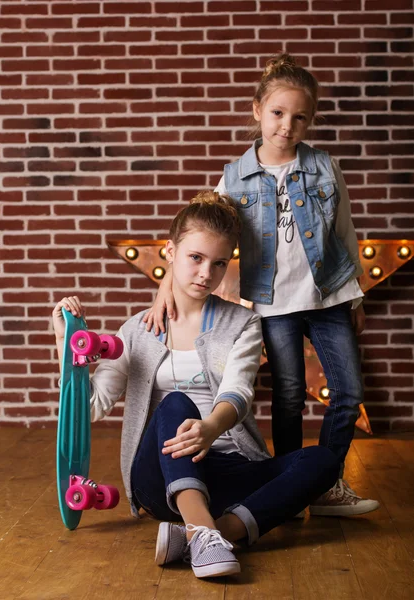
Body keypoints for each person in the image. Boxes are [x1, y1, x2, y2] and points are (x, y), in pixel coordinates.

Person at [53, 191, 339, 579]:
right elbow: (87, 408)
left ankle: (210, 535)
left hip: (227, 469)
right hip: (160, 478)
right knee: (175, 402)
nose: (207, 274)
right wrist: (64, 344)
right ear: (170, 252)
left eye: (219, 263)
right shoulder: (136, 331)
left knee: (322, 461)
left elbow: (237, 392)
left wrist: (210, 429)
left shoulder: (242, 323)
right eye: (196, 258)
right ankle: (202, 530)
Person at [144, 55, 379, 517]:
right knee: (289, 396)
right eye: (277, 113)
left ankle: (326, 484)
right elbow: (199, 227)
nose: (287, 126)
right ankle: (292, 486)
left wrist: (356, 294)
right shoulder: (234, 177)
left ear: (309, 120)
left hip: (330, 295)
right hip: (273, 304)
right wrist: (163, 288)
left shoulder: (325, 167)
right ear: (257, 110)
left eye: (299, 117)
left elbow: (345, 233)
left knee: (348, 393)